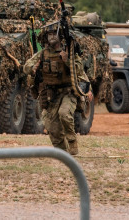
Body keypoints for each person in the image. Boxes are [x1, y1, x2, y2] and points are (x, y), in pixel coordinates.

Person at [23, 21, 93, 155]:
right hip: (51, 95)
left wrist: (67, 60)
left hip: (68, 92)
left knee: (64, 114)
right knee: (51, 127)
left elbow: (79, 70)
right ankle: (63, 154)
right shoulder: (43, 54)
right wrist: (33, 69)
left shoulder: (69, 52)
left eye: (53, 33)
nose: (51, 37)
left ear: (60, 36)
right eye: (48, 34)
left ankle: (72, 142)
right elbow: (26, 67)